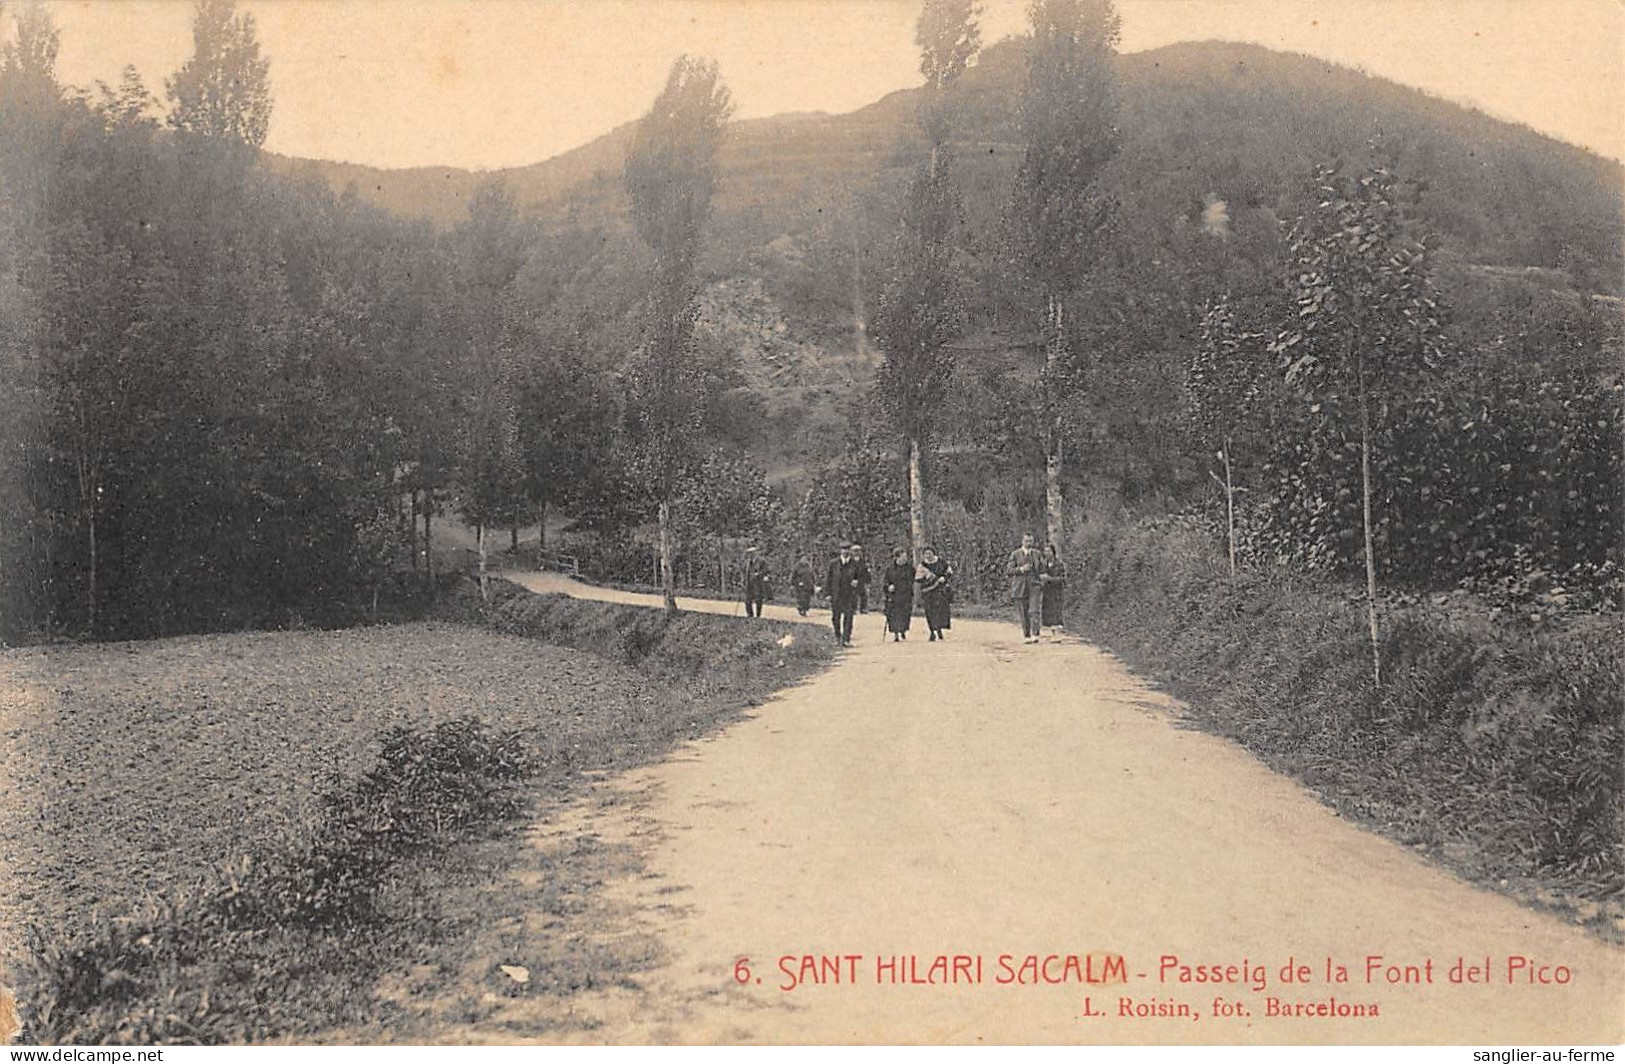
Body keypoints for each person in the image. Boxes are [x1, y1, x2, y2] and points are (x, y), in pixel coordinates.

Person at [1007, 531, 1047, 644]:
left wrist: (1042, 578)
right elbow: (1009, 571)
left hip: (1034, 585)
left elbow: (1042, 569)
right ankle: (1027, 634)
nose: (1029, 543)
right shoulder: (1015, 554)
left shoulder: (1037, 554)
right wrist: (1021, 569)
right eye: (1027, 541)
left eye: (1031, 541)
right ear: (1022, 541)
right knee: (1023, 612)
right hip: (1020, 587)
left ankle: (1035, 633)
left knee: (1035, 610)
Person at [825, 543, 862, 646]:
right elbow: (829, 579)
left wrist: (857, 582)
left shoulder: (854, 564)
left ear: (850, 551)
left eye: (847, 549)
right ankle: (837, 637)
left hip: (849, 595)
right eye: (843, 549)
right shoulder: (834, 564)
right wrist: (828, 593)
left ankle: (846, 639)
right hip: (836, 594)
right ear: (840, 551)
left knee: (849, 617)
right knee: (836, 617)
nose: (845, 552)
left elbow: (861, 577)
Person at [916, 545, 953, 642]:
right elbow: (918, 579)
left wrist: (944, 578)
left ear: (933, 553)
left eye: (930, 553)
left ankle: (939, 629)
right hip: (928, 592)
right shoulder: (923, 565)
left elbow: (949, 572)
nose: (928, 555)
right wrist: (926, 577)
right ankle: (932, 631)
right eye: (926, 554)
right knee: (930, 612)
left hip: (940, 590)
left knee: (940, 610)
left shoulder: (941, 562)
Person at [882, 547, 914, 641]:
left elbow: (913, 578)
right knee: (894, 614)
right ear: (897, 557)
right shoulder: (890, 568)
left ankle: (903, 630)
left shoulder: (909, 568)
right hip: (894, 595)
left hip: (906, 594)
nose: (905, 559)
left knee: (905, 614)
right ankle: (896, 633)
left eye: (905, 557)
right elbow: (885, 580)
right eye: (902, 557)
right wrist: (888, 587)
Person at [1041, 543, 1067, 632]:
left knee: (1056, 610)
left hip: (1056, 590)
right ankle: (1048, 629)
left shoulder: (1059, 564)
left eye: (1049, 551)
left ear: (1053, 552)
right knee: (1047, 609)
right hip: (1046, 590)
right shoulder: (1043, 563)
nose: (1047, 553)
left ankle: (1058, 628)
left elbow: (1063, 578)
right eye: (1045, 551)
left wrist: (1051, 579)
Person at [742, 546, 770, 618]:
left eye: (751, 553)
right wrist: (744, 580)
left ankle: (758, 615)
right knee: (747, 600)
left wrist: (759, 574)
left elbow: (766, 570)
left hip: (758, 583)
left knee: (758, 599)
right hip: (749, 583)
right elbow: (745, 572)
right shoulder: (748, 562)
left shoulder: (761, 561)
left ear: (755, 553)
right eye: (749, 554)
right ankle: (750, 614)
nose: (750, 555)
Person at [851, 544, 872, 614]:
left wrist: (868, 581)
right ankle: (853, 609)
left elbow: (866, 571)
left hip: (861, 580)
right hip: (852, 581)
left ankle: (863, 608)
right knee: (853, 595)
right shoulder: (850, 561)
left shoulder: (863, 561)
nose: (857, 553)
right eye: (855, 551)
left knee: (864, 594)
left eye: (858, 551)